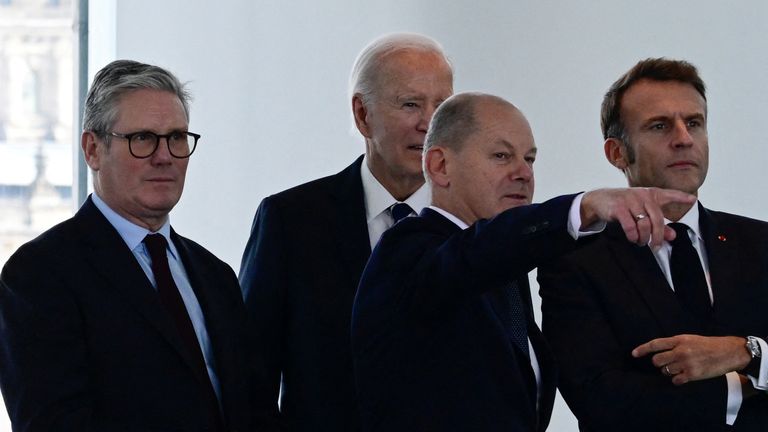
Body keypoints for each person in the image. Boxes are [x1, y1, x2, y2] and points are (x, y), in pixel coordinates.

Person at [351, 92, 695, 432]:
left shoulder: (505, 272)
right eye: (502, 156)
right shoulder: (406, 252)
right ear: (440, 166)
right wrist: (584, 206)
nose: (523, 174)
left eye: (529, 159)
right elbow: (477, 254)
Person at [0, 60, 254, 431]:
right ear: (92, 149)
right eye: (143, 138)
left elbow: (253, 408)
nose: (165, 156)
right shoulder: (39, 274)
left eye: (177, 137)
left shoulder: (215, 274)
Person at [538, 58, 768, 431]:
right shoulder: (575, 261)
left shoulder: (761, 243)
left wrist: (746, 352)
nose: (683, 138)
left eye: (694, 122)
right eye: (660, 126)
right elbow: (600, 400)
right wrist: (739, 390)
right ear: (617, 153)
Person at [238, 33, 454, 431]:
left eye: (442, 107)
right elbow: (251, 378)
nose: (429, 123)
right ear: (362, 114)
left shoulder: (474, 224)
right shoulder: (290, 221)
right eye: (410, 104)